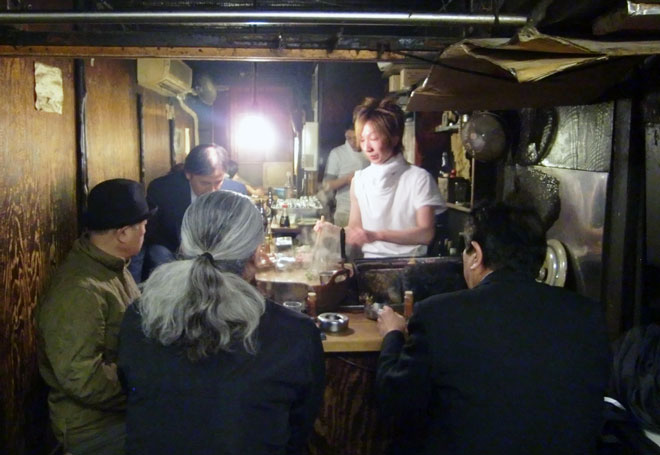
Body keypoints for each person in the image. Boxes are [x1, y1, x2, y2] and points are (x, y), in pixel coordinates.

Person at [376, 201, 611, 455]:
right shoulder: (588, 315)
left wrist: (392, 335)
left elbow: (394, 400)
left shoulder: (438, 315)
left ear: (476, 254)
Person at [118, 190, 325, 455]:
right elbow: (298, 429)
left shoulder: (139, 316)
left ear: (185, 244)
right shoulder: (297, 333)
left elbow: (132, 392)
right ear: (254, 255)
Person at [36, 179, 155, 455]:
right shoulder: (80, 290)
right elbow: (82, 378)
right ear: (123, 233)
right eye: (143, 226)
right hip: (93, 428)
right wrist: (146, 390)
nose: (146, 232)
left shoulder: (111, 265)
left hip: (116, 412)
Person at [316, 97, 445, 258]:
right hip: (371, 265)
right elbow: (355, 232)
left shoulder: (419, 178)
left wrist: (378, 235)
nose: (367, 147)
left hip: (411, 267)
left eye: (374, 138)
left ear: (394, 138)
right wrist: (333, 231)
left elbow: (426, 234)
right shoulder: (360, 181)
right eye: (362, 140)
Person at [140, 143, 228, 279]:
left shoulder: (236, 192)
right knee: (157, 252)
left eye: (218, 182)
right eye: (204, 183)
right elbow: (149, 234)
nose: (212, 190)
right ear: (188, 174)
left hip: (217, 252)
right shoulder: (163, 189)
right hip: (173, 250)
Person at [322, 124, 369, 227]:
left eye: (355, 138)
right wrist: (347, 179)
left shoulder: (370, 152)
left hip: (368, 212)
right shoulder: (337, 153)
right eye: (348, 138)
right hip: (345, 211)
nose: (352, 142)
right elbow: (326, 185)